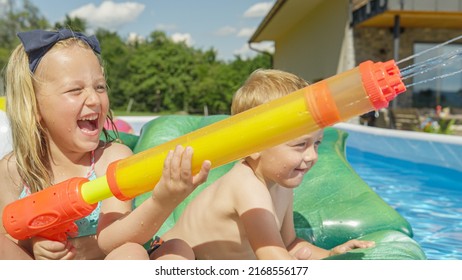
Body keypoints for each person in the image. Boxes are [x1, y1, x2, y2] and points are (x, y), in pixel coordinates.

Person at [0, 29, 210, 260]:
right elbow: (9, 239)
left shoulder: (111, 159)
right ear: (35, 108)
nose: (93, 99)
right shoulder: (14, 170)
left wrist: (163, 201)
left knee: (146, 252)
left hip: (109, 262)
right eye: (75, 90)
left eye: (99, 87)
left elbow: (113, 239)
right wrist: (33, 244)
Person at [161, 69, 375, 259]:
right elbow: (273, 256)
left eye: (317, 143)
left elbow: (288, 244)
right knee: (178, 254)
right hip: (169, 252)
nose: (312, 156)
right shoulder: (246, 185)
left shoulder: (281, 184)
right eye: (301, 145)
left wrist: (329, 255)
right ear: (253, 147)